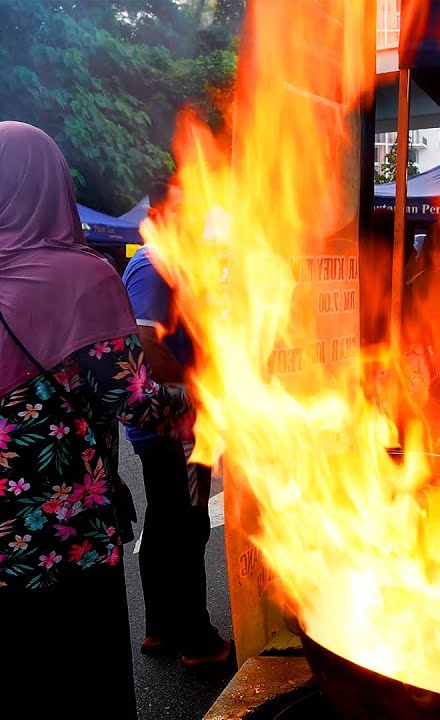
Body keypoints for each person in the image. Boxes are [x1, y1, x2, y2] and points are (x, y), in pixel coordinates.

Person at [0, 121, 192, 718]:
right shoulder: (84, 278)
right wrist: (196, 401)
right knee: (81, 683)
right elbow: (132, 397)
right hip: (70, 538)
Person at [123, 181, 231, 666]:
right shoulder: (153, 265)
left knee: (166, 522)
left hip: (169, 422)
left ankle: (161, 628)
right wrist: (194, 394)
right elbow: (148, 342)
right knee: (187, 525)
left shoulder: (169, 262)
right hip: (175, 424)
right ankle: (197, 640)